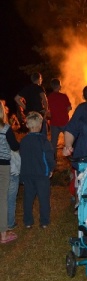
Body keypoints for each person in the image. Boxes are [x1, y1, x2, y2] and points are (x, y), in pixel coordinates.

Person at [20, 112, 55, 228]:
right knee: (44, 199)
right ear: (40, 125)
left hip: (28, 174)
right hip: (41, 175)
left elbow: (22, 157)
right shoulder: (43, 141)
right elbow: (49, 156)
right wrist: (51, 168)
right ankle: (44, 222)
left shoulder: (24, 141)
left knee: (28, 199)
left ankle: (28, 221)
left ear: (28, 125)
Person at [0, 101, 19, 243]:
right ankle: (3, 235)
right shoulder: (5, 128)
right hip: (3, 166)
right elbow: (14, 146)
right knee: (2, 199)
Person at [47, 78, 72, 159]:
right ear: (59, 86)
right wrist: (64, 113)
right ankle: (70, 158)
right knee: (68, 141)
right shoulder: (64, 96)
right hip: (64, 122)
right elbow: (69, 108)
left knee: (53, 143)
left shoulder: (49, 97)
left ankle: (53, 160)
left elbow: (48, 110)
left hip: (54, 123)